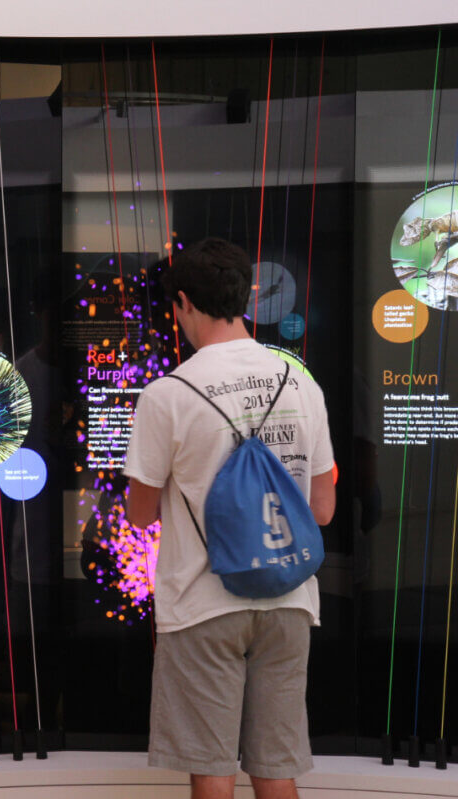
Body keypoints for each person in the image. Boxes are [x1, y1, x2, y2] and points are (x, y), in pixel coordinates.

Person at [123, 238, 336, 799]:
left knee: (212, 770)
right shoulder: (302, 384)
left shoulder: (166, 395)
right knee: (276, 770)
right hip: (290, 599)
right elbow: (322, 508)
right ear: (246, 298)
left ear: (185, 303)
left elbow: (141, 516)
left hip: (202, 604)